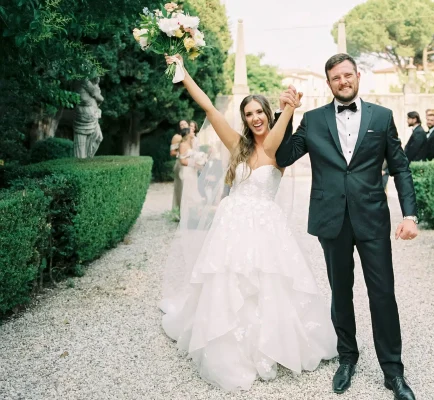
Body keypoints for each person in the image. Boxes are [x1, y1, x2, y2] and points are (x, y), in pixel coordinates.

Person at [160, 54, 337, 391]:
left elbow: (271, 141)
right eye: (249, 114)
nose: (255, 118)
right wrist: (183, 75)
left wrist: (289, 109)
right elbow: (210, 109)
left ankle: (271, 344)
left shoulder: (280, 149)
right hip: (232, 224)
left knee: (269, 282)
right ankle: (228, 345)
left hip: (266, 226)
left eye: (259, 112)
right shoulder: (238, 146)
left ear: (268, 114)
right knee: (227, 283)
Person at [266, 53, 418, 400]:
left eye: (347, 75)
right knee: (341, 292)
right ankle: (347, 358)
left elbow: (401, 168)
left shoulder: (382, 117)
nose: (343, 81)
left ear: (358, 76)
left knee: (382, 294)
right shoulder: (314, 120)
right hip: (330, 219)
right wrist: (286, 112)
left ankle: (393, 373)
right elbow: (284, 155)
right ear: (329, 83)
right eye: (336, 78)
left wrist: (410, 215)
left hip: (372, 218)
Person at [171, 121, 189, 211]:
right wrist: (182, 153)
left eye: (185, 124)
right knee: (180, 187)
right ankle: (179, 209)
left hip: (190, 164)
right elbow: (172, 152)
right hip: (180, 164)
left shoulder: (190, 136)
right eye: (181, 125)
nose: (183, 126)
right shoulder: (176, 137)